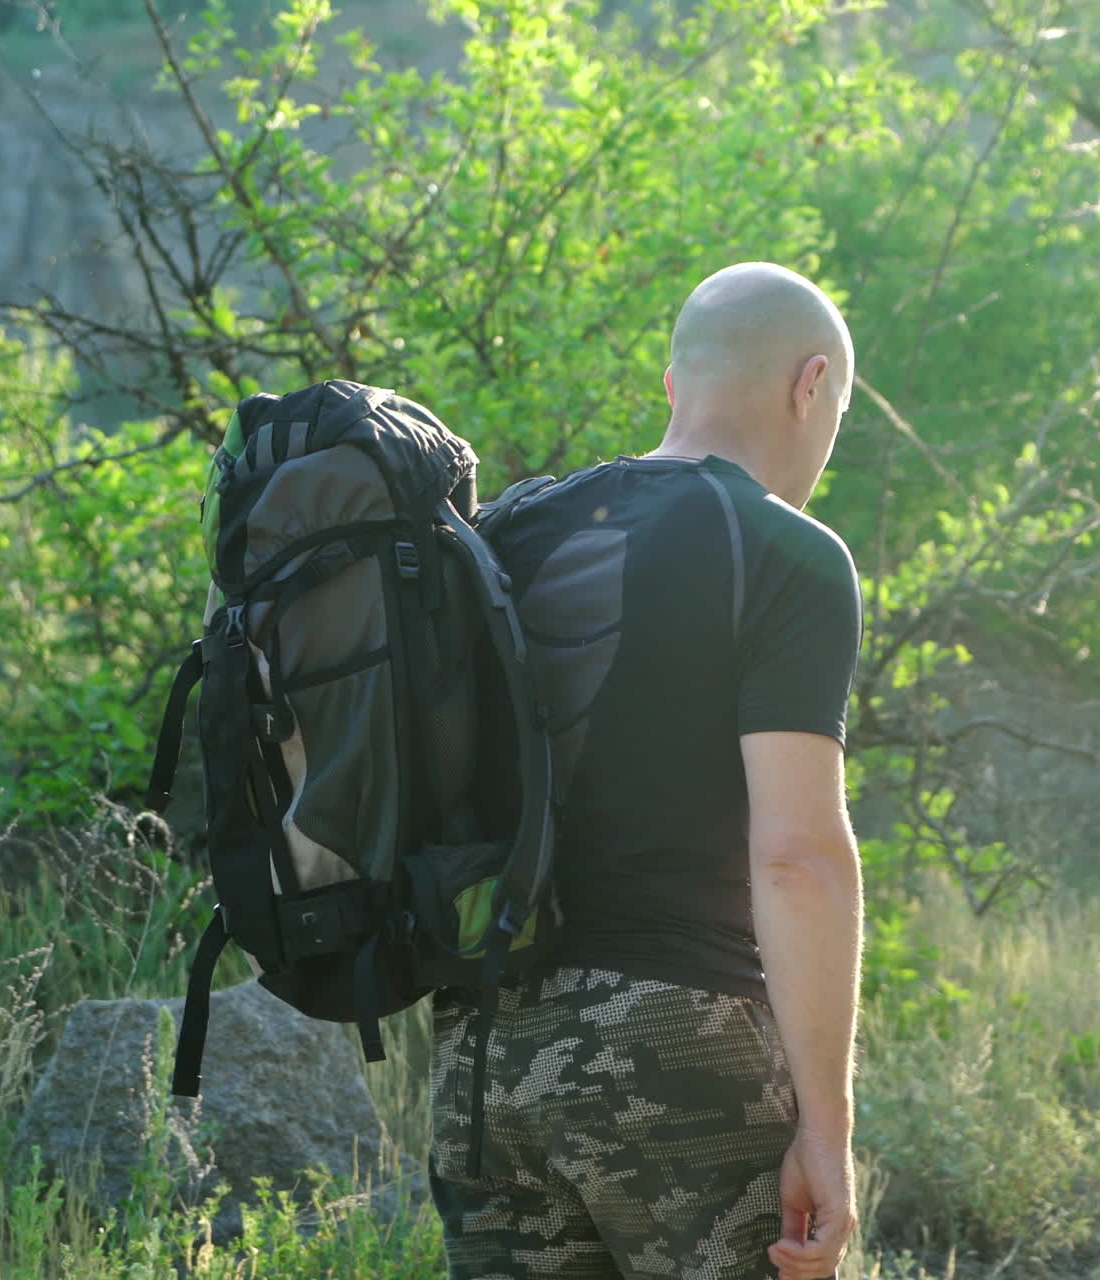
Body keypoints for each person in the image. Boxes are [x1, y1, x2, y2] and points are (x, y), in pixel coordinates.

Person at [430, 262, 865, 1280]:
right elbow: (798, 856)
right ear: (810, 386)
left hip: (482, 1053)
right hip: (675, 1044)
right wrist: (827, 1129)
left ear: (674, 386)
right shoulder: (785, 553)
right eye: (837, 405)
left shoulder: (508, 532)